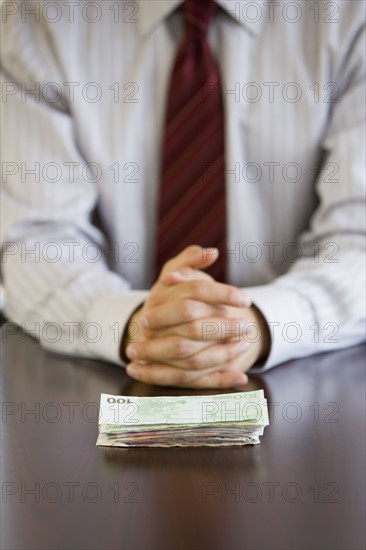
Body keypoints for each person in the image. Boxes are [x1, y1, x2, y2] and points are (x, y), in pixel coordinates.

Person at [1, 0, 365, 388]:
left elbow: (358, 238)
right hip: (100, 382)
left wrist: (257, 323)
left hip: (309, 381)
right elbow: (35, 239)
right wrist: (137, 323)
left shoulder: (351, 16)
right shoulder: (35, 16)